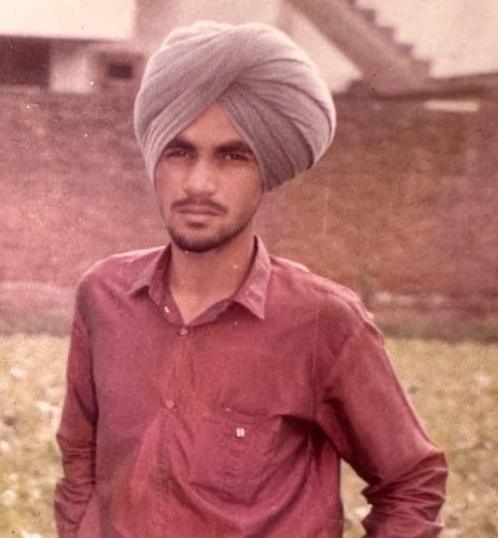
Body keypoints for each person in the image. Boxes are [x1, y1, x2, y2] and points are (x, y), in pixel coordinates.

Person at [54, 21, 447, 537]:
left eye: (231, 157)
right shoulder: (104, 296)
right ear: (155, 160)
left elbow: (410, 482)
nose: (198, 183)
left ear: (266, 171)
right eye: (179, 151)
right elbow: (80, 455)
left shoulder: (324, 322)